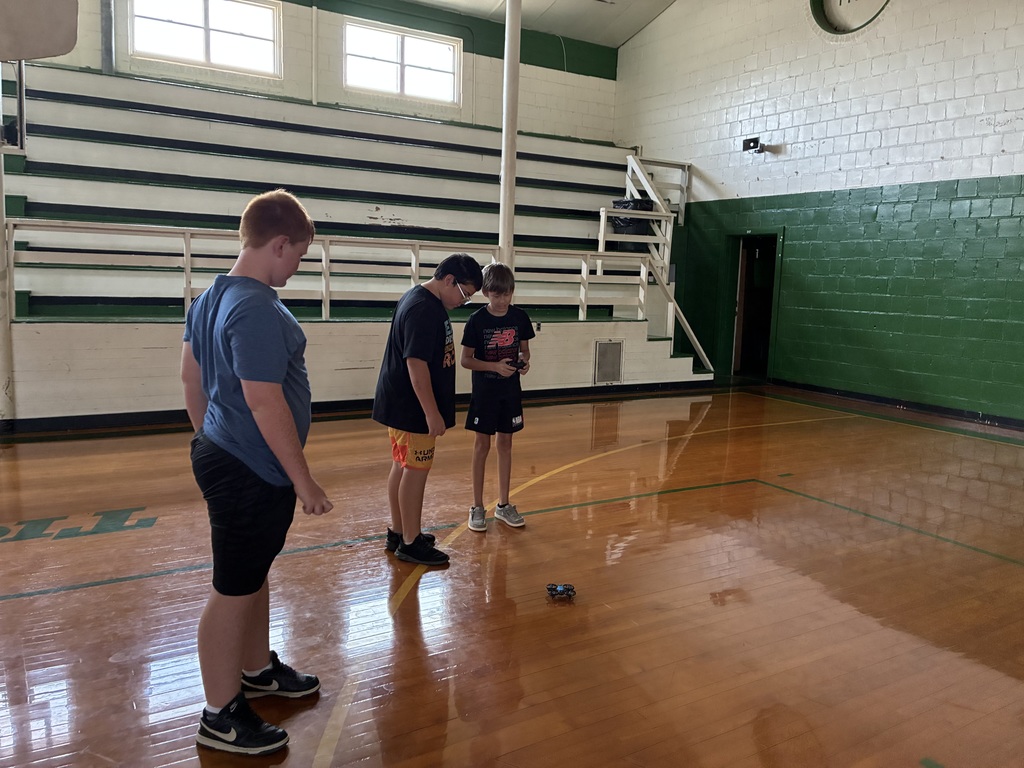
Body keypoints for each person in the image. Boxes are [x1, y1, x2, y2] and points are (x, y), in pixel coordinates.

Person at [180, 189, 333, 757]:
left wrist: (211, 435)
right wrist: (304, 480)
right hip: (249, 468)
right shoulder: (257, 307)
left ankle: (255, 669)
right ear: (279, 243)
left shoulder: (210, 296)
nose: (297, 267)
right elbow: (265, 400)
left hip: (229, 454)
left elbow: (190, 380)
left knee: (252, 571)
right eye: (298, 256)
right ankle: (219, 715)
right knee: (232, 587)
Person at [372, 253, 484, 566]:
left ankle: (399, 532)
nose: (464, 301)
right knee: (415, 471)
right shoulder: (423, 309)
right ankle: (410, 542)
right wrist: (431, 413)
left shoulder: (420, 298)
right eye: (465, 294)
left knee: (401, 465)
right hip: (412, 407)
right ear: (449, 280)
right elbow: (416, 364)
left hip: (401, 403)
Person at [459, 262, 535, 532]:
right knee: (482, 446)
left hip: (510, 392)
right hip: (485, 393)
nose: (502, 300)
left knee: (506, 444)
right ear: (486, 293)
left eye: (507, 294)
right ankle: (477, 506)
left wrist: (524, 363)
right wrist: (494, 367)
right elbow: (466, 360)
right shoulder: (477, 320)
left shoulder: (520, 318)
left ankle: (503, 505)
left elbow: (525, 351)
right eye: (496, 295)